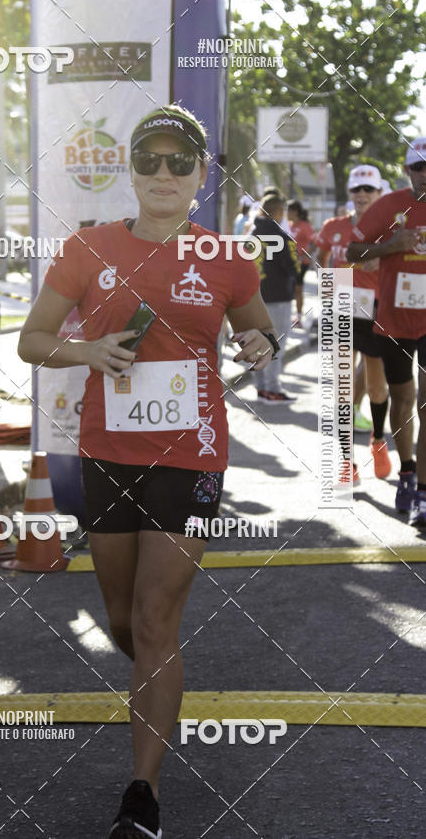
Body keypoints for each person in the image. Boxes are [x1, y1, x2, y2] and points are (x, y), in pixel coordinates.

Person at [18, 104, 279, 839]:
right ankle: (161, 689)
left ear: (200, 174)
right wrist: (87, 352)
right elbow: (32, 341)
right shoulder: (88, 247)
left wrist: (260, 346)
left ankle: (143, 793)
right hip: (108, 455)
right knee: (126, 622)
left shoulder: (227, 256)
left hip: (192, 457)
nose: (163, 174)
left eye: (178, 161)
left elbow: (256, 327)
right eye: (149, 161)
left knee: (159, 621)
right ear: (130, 172)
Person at [347, 138, 426, 522]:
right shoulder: (388, 206)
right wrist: (391, 245)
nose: (425, 174)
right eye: (419, 167)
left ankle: (423, 490)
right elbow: (351, 252)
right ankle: (407, 471)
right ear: (408, 170)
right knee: (403, 400)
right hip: (393, 321)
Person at [317, 165, 391, 483]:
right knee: (343, 388)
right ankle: (348, 462)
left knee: (375, 386)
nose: (361, 195)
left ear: (378, 193)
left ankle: (377, 442)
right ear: (349, 193)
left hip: (375, 311)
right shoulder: (334, 225)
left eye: (368, 189)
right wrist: (325, 284)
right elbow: (322, 255)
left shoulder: (389, 227)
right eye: (356, 190)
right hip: (341, 309)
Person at [251, 192, 302, 404]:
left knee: (257, 344)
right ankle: (273, 389)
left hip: (254, 299)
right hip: (278, 298)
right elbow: (294, 268)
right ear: (279, 212)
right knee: (275, 345)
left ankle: (261, 387)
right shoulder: (282, 237)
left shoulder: (251, 234)